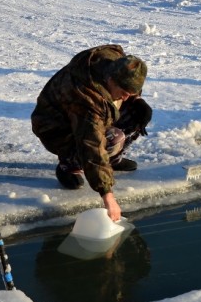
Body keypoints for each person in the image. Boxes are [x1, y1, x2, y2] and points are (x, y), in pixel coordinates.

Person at [31, 44, 152, 222]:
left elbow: (129, 82)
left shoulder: (115, 62)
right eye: (124, 92)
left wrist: (137, 99)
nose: (125, 97)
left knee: (138, 113)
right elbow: (91, 144)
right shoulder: (86, 97)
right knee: (111, 140)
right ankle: (68, 165)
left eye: (130, 92)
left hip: (92, 114)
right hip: (56, 128)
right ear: (111, 79)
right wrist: (108, 196)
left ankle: (112, 160)